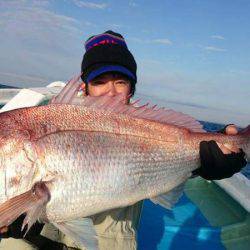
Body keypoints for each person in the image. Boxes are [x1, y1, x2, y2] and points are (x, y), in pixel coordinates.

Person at [0, 30, 247, 250]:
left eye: (120, 81)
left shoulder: (150, 127)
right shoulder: (57, 115)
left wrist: (209, 163)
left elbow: (176, 152)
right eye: (99, 82)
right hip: (40, 235)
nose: (110, 91)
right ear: (85, 87)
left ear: (131, 88)